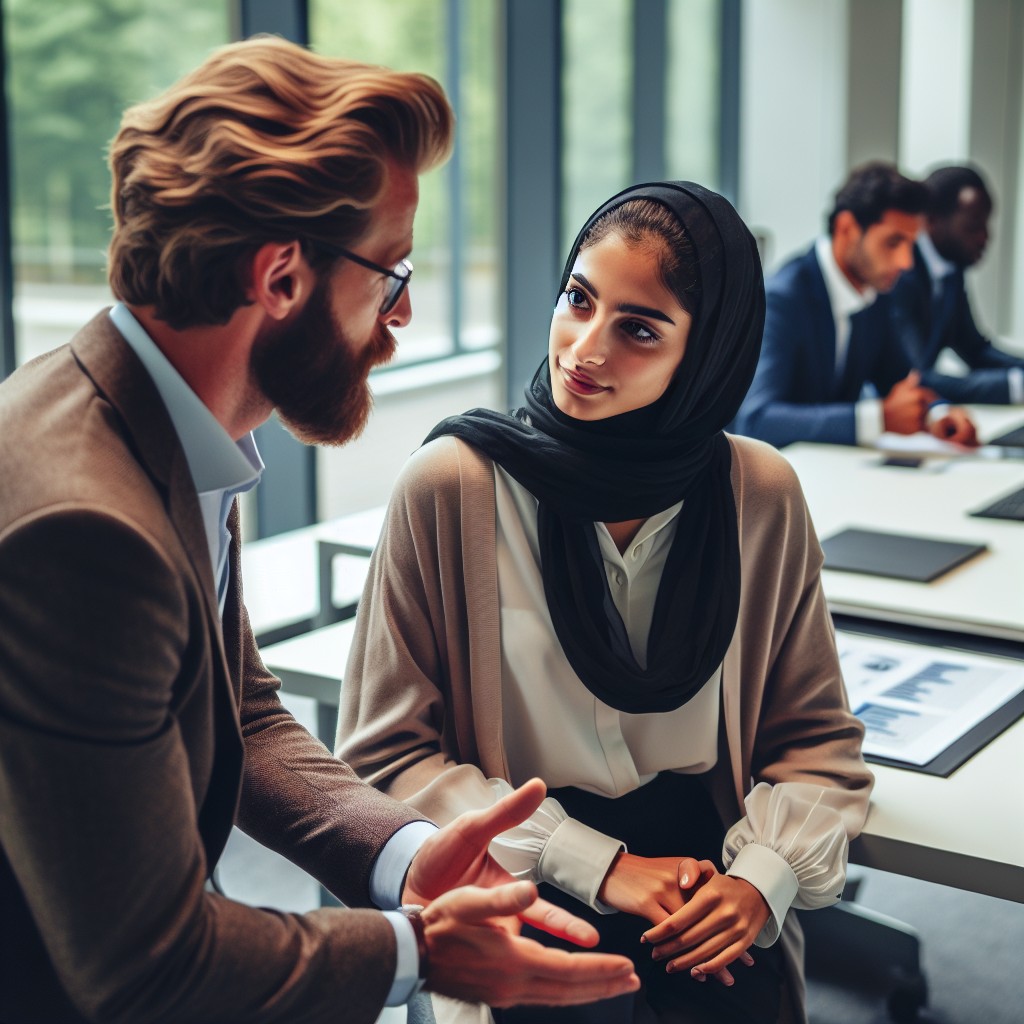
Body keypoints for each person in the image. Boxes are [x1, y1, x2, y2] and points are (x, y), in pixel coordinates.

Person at [0, 37, 642, 1024]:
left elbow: (242, 713)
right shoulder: (91, 533)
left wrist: (408, 856)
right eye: (390, 271)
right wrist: (418, 952)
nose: (406, 311)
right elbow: (145, 969)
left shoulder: (159, 416)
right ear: (283, 277)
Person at [337, 181, 875, 1024]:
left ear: (705, 354)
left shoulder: (757, 493)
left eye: (639, 328)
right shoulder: (455, 485)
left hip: (709, 870)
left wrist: (761, 884)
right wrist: (599, 865)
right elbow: (383, 759)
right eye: (577, 300)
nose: (584, 349)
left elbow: (816, 742)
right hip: (520, 868)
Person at [733, 161, 978, 448]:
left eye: (911, 245)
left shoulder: (875, 293)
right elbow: (757, 420)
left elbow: (903, 380)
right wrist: (879, 420)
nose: (905, 262)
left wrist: (939, 415)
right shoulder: (782, 298)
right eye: (892, 242)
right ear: (847, 228)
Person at [888, 163, 1024, 405]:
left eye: (986, 224)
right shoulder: (899, 273)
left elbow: (974, 349)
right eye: (973, 226)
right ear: (930, 220)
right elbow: (917, 376)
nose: (985, 237)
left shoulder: (951, 271)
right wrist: (1015, 386)